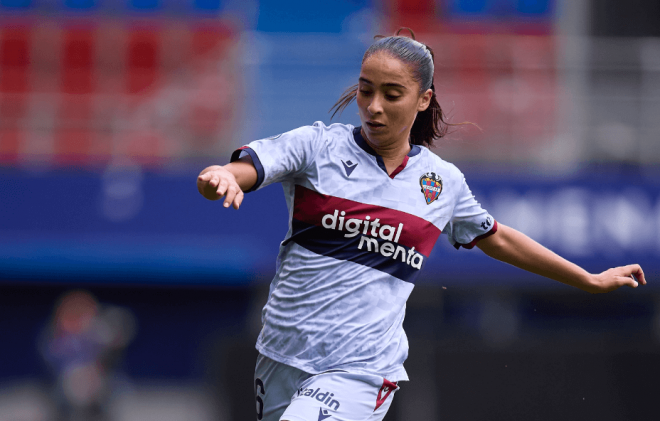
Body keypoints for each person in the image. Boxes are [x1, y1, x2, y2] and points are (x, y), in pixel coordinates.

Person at [196, 29, 646, 421]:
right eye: (365, 90)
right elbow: (247, 168)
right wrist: (220, 177)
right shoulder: (317, 147)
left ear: (423, 99)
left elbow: (498, 238)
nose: (373, 107)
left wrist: (586, 279)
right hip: (280, 354)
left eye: (391, 94)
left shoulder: (441, 183)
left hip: (362, 367)